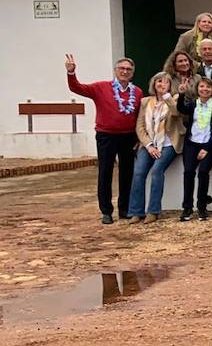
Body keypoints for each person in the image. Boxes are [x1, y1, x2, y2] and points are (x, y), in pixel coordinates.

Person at [65, 53, 142, 223]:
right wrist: (71, 73)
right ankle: (106, 211)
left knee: (127, 173)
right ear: (115, 70)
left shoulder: (136, 92)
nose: (125, 71)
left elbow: (138, 116)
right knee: (105, 172)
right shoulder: (101, 87)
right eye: (121, 68)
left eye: (128, 69)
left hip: (128, 137)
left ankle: (125, 209)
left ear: (132, 73)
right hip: (106, 136)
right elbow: (78, 88)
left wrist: (138, 137)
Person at [128, 72, 183, 222]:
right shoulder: (146, 101)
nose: (162, 84)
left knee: (157, 171)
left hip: (168, 143)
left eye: (166, 82)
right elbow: (140, 127)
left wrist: (166, 96)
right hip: (149, 143)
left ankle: (153, 211)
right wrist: (149, 145)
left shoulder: (175, 99)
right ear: (154, 83)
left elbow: (176, 113)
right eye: (159, 81)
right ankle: (136, 211)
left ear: (170, 85)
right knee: (139, 172)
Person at [178, 76, 212, 221]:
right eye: (202, 87)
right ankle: (187, 207)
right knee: (189, 172)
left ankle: (202, 207)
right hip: (192, 143)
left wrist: (207, 148)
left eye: (208, 87)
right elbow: (181, 109)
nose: (205, 89)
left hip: (209, 144)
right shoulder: (193, 104)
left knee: (203, 172)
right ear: (197, 89)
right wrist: (181, 94)